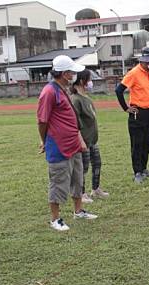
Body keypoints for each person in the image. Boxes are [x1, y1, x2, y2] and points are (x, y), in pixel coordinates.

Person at [37, 55, 97, 231]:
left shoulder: (63, 89)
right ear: (64, 73)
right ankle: (55, 219)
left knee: (77, 178)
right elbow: (42, 120)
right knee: (58, 181)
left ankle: (78, 210)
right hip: (58, 145)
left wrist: (78, 138)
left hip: (73, 144)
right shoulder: (49, 92)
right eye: (71, 72)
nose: (74, 75)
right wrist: (44, 140)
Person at [115, 47, 149, 184]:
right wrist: (125, 108)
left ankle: (144, 168)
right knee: (137, 143)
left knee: (148, 142)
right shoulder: (134, 73)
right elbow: (119, 90)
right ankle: (137, 172)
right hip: (137, 113)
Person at [70, 69, 109, 203]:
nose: (91, 82)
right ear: (81, 81)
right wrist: (81, 141)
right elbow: (75, 123)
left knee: (97, 163)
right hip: (83, 141)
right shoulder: (75, 100)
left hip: (93, 139)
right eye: (89, 79)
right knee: (83, 167)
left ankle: (96, 188)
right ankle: (81, 193)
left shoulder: (86, 98)